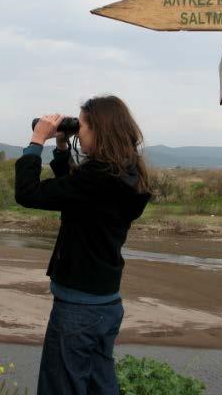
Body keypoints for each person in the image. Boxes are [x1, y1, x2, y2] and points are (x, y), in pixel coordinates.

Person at [15, 95, 151, 395]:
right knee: (97, 385)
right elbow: (76, 194)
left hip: (79, 307)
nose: (80, 131)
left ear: (100, 131)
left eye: (83, 125)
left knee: (60, 386)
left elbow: (28, 193)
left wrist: (37, 140)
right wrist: (62, 146)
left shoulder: (98, 180)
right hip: (106, 302)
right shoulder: (126, 175)